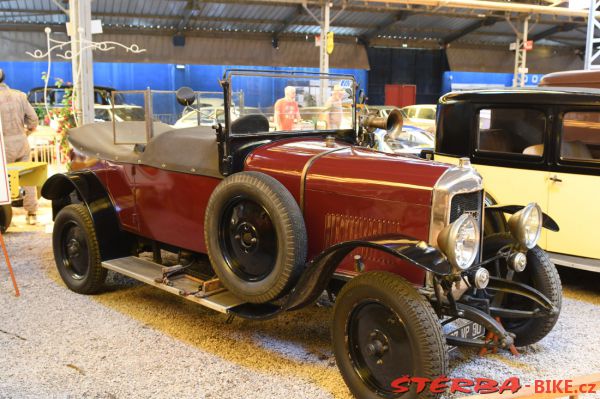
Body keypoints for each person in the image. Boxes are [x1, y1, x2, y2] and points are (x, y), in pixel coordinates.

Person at [0, 69, 39, 225]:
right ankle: (32, 214)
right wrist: (26, 133)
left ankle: (5, 218)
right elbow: (33, 119)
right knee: (27, 177)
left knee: (4, 182)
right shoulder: (19, 95)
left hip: (3, 145)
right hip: (22, 141)